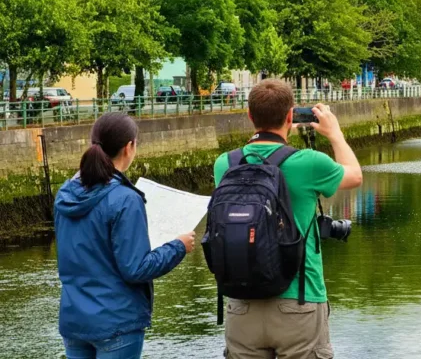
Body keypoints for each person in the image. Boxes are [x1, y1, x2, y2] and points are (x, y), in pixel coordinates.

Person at [214, 80, 363, 359]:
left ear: (249, 116)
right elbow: (354, 174)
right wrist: (335, 134)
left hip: (241, 304)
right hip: (300, 301)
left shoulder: (225, 164)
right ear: (291, 116)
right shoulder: (308, 162)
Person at [55, 113, 194, 359]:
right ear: (130, 146)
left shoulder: (65, 195)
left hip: (75, 320)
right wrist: (178, 246)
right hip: (117, 323)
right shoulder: (125, 199)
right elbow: (136, 269)